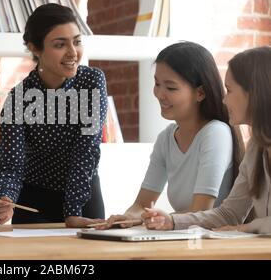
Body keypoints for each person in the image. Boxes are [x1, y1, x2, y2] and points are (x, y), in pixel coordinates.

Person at [100, 41, 243, 229]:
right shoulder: (166, 138)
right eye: (157, 83)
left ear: (200, 93)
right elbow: (141, 204)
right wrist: (126, 218)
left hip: (211, 240)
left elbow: (200, 210)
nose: (159, 94)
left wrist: (146, 219)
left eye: (171, 88)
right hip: (181, 237)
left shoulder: (215, 133)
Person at [0, 3, 107, 228]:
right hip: (34, 202)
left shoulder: (92, 81)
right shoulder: (18, 99)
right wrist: (5, 198)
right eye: (60, 44)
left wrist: (72, 209)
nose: (73, 52)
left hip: (84, 196)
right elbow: (11, 163)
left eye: (77, 41)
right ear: (35, 48)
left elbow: (87, 148)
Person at [142, 46, 271, 234]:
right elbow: (229, 214)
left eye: (229, 90)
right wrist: (171, 221)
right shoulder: (256, 148)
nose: (224, 100)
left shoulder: (216, 132)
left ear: (254, 93)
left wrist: (250, 227)